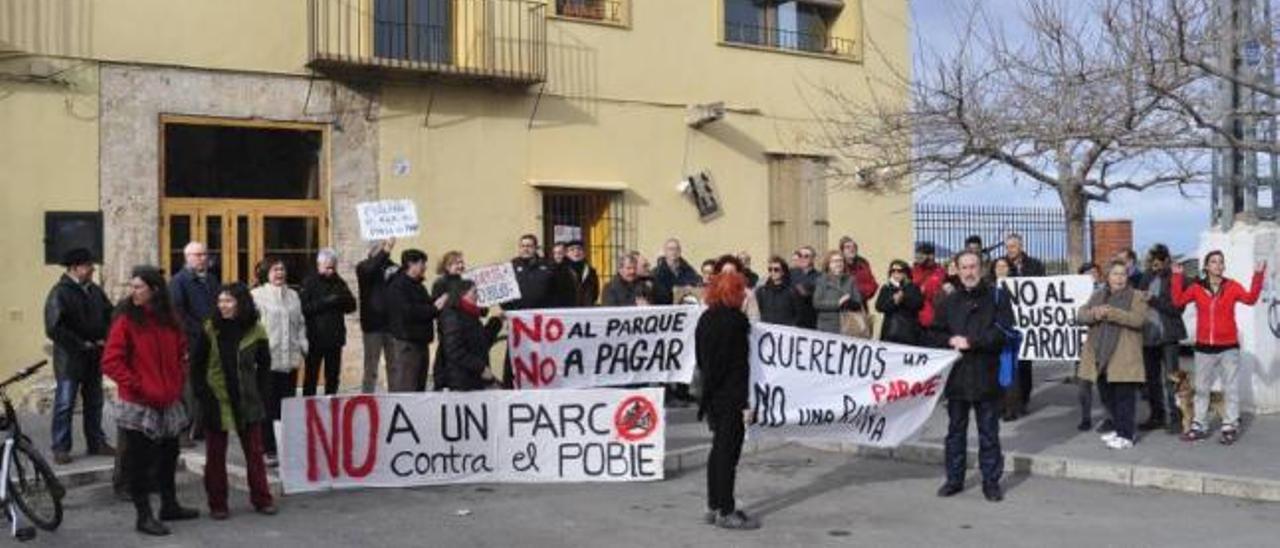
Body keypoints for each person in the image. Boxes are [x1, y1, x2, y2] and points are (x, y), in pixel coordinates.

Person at [102, 266, 199, 536]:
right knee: (139, 463)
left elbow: (182, 353)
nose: (133, 291)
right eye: (132, 286)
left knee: (169, 456)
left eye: (138, 287)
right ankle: (143, 516)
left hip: (168, 400)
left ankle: (170, 505)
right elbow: (111, 362)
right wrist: (139, 386)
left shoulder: (170, 320)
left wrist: (178, 380)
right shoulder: (126, 321)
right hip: (138, 403)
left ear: (154, 290)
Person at [930, 251, 1015, 503]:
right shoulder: (948, 301)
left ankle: (991, 482)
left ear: (982, 267)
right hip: (956, 378)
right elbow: (933, 334)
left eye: (973, 266)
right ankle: (954, 480)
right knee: (955, 432)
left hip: (987, 376)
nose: (969, 272)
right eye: (964, 267)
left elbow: (1004, 332)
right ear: (956, 269)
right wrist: (948, 340)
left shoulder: (998, 297)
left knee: (989, 433)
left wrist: (972, 342)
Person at [192, 283, 276, 519]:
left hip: (247, 399)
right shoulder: (210, 329)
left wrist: (260, 393)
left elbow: (265, 365)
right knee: (216, 455)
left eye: (228, 301)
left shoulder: (256, 330)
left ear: (241, 303)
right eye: (220, 302)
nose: (223, 306)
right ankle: (218, 503)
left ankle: (262, 498)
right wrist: (202, 394)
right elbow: (196, 367)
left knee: (254, 453)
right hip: (216, 398)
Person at [1172, 251, 1266, 445]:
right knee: (1202, 389)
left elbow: (1250, 299)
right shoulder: (1197, 288)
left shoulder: (1231, 286)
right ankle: (1199, 425)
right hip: (1204, 347)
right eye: (1213, 262)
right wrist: (1177, 277)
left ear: (1223, 267)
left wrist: (1258, 275)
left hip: (1228, 347)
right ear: (1206, 266)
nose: (1217, 265)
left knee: (1230, 388)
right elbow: (1178, 301)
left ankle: (1229, 425)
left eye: (1220, 262)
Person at [694, 266, 759, 530]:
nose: (744, 296)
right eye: (741, 291)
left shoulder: (705, 319)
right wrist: (745, 403)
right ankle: (726, 510)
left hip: (712, 394)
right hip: (731, 395)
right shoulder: (736, 322)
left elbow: (702, 359)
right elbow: (740, 366)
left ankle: (713, 505)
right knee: (728, 453)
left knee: (717, 450)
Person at [44, 248, 115, 465]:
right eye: (88, 265)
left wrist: (106, 337)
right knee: (65, 404)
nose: (93, 269)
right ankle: (60, 447)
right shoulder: (59, 292)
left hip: (94, 357)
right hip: (70, 359)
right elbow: (54, 327)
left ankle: (96, 442)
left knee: (95, 402)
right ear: (75, 268)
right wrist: (80, 343)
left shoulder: (94, 291)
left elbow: (110, 316)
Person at [1077, 261, 1149, 450]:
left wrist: (1112, 313)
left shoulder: (1137, 296)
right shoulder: (1099, 294)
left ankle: (1127, 434)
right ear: (1108, 277)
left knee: (1124, 397)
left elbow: (1138, 320)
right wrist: (1094, 314)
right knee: (1108, 397)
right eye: (1115, 274)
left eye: (1123, 274)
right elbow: (1080, 315)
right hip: (1100, 355)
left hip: (1123, 355)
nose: (1119, 278)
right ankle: (1119, 430)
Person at [250, 257, 306, 465]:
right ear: (266, 273)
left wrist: (303, 344)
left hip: (289, 359)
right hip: (267, 361)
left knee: (287, 405)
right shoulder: (256, 296)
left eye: (282, 269)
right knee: (268, 405)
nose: (279, 273)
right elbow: (250, 328)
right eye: (275, 270)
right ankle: (267, 448)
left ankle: (285, 446)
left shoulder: (293, 295)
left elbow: (300, 323)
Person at [168, 241, 221, 445]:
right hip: (190, 342)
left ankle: (200, 428)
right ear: (187, 257)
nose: (203, 258)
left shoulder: (212, 280)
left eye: (205, 254)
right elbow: (178, 314)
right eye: (198, 255)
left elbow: (218, 306)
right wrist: (199, 330)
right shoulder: (178, 281)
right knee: (188, 389)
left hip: (210, 341)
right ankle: (183, 430)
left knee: (207, 386)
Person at [1136, 245, 1187, 435]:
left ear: (1166, 260)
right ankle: (1156, 416)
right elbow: (1138, 299)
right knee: (1152, 380)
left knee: (1171, 378)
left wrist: (1154, 300)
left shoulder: (1174, 278)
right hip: (1148, 335)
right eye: (1151, 261)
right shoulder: (1146, 276)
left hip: (1168, 336)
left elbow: (1177, 308)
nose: (1153, 265)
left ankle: (1176, 417)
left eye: (1157, 262)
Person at [386, 250, 447, 392]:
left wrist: (438, 302)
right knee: (407, 387)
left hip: (420, 341)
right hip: (408, 343)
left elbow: (425, 304)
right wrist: (435, 308)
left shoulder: (417, 285)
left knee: (419, 386)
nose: (425, 267)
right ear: (411, 264)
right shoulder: (398, 285)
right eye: (422, 263)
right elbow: (409, 312)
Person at [300, 249, 357, 396]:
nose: (331, 271)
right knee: (311, 375)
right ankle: (308, 404)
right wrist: (326, 302)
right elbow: (303, 308)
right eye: (327, 268)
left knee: (332, 376)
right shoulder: (310, 282)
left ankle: (331, 403)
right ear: (319, 265)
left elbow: (352, 306)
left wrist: (341, 300)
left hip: (335, 337)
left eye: (333, 267)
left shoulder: (339, 282)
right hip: (315, 337)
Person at [435, 280, 504, 391]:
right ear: (462, 294)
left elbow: (482, 342)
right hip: (459, 381)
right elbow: (454, 351)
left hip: (471, 378)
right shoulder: (453, 316)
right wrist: (480, 368)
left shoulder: (471, 315)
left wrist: (496, 322)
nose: (478, 296)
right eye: (474, 292)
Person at [1004, 232, 1044, 416]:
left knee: (1025, 363)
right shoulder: (1002, 265)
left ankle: (1024, 398)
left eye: (1013, 246)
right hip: (1009, 320)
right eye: (1007, 247)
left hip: (1029, 322)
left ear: (1021, 246)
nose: (1010, 250)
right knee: (1009, 364)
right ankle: (1011, 403)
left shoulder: (1035, 265)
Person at [356, 239, 398, 393]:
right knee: (371, 366)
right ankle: (367, 397)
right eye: (380, 248)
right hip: (373, 325)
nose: (384, 251)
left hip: (391, 325)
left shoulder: (393, 268)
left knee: (394, 365)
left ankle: (395, 395)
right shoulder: (363, 267)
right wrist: (384, 252)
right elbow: (370, 269)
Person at [875, 260, 924, 345]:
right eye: (893, 271)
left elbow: (918, 304)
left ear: (906, 273)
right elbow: (879, 306)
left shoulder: (912, 287)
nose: (896, 273)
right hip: (890, 333)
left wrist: (903, 299)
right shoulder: (886, 288)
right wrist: (893, 302)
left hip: (908, 333)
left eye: (899, 271)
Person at [813, 251, 861, 335]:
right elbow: (817, 303)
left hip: (848, 325)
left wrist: (848, 302)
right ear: (828, 264)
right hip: (827, 326)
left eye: (841, 261)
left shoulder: (850, 280)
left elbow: (858, 302)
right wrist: (838, 303)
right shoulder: (821, 280)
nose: (839, 263)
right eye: (835, 261)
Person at [508, 234, 556, 311]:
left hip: (543, 313)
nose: (525, 249)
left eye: (529, 246)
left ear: (536, 248)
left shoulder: (548, 265)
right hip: (518, 313)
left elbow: (555, 290)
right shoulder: (511, 266)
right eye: (522, 246)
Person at [755, 257, 802, 326]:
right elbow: (759, 311)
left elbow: (798, 313)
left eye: (776, 270)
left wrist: (791, 326)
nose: (772, 272)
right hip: (767, 330)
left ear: (783, 272)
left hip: (785, 330)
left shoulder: (791, 291)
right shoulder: (762, 291)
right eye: (770, 269)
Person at [654, 238, 702, 303]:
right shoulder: (657, 272)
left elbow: (696, 284)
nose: (674, 252)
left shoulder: (688, 270)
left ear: (680, 251)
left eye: (676, 249)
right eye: (671, 249)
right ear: (665, 251)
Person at [912, 242, 947, 330]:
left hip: (934, 317)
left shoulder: (940, 271)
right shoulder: (913, 271)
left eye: (930, 254)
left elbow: (937, 291)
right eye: (919, 255)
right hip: (915, 317)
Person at [839, 236, 878, 302]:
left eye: (854, 247)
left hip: (860, 305)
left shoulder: (863, 263)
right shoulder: (839, 264)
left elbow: (872, 285)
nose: (852, 249)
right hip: (842, 306)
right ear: (842, 251)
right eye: (848, 247)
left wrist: (856, 291)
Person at [790, 246, 821, 329]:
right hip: (792, 320)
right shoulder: (790, 273)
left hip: (810, 321)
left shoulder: (820, 276)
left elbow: (808, 293)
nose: (802, 258)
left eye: (806, 256)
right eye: (800, 255)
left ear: (813, 258)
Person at [564, 240, 600, 306]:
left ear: (584, 252)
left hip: (586, 309)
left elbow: (595, 292)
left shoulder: (591, 272)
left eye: (579, 249)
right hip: (567, 309)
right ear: (566, 253)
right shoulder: (561, 271)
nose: (576, 252)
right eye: (572, 250)